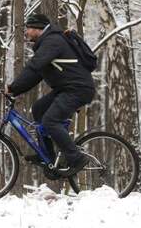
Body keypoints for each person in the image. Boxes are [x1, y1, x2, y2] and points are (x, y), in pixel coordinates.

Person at [5, 13, 95, 177]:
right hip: (67, 88)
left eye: (29, 28)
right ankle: (48, 157)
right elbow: (36, 74)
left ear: (38, 28)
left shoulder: (52, 41)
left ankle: (76, 158)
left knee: (50, 120)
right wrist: (16, 90)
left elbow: (33, 67)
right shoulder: (48, 43)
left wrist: (12, 87)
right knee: (39, 109)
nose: (26, 32)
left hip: (77, 89)